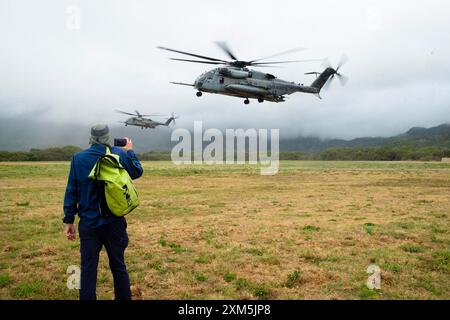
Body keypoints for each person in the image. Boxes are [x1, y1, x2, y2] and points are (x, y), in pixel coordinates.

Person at [63, 124, 143, 300]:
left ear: (91, 137)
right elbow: (137, 171)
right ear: (108, 137)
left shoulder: (78, 158)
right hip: (114, 222)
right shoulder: (119, 153)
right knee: (118, 266)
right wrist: (129, 151)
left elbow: (71, 190)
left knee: (88, 269)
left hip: (88, 224)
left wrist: (69, 220)